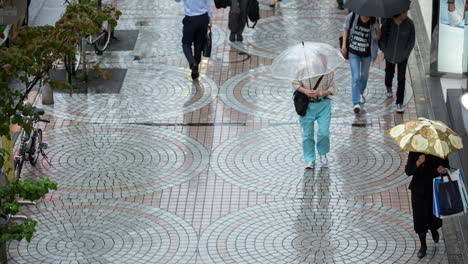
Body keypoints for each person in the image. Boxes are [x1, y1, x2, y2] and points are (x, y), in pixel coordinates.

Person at [405, 152, 449, 259]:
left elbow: (447, 167)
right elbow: (408, 171)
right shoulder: (415, 151)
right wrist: (418, 162)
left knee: (433, 217)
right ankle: (423, 245)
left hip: (434, 189)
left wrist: (443, 170)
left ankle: (434, 229)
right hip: (418, 190)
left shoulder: (439, 150)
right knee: (420, 219)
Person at [293, 71, 337, 169]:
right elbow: (295, 83)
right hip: (307, 106)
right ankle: (310, 159)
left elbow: (333, 88)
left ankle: (323, 153)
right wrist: (305, 91)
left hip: (324, 104)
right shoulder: (302, 69)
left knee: (324, 132)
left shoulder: (329, 71)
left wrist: (320, 93)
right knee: (307, 134)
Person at [341, 13, 381, 114]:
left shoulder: (374, 19)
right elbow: (345, 29)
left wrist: (377, 28)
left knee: (364, 76)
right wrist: (344, 46)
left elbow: (377, 38)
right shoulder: (353, 16)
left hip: (366, 54)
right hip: (353, 52)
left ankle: (360, 92)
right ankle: (356, 103)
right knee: (356, 77)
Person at [379, 11, 415, 113]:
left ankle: (399, 102)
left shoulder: (409, 24)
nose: (406, 14)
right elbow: (382, 38)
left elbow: (411, 41)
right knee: (389, 73)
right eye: (404, 12)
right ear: (398, 13)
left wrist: (405, 54)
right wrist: (385, 50)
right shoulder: (388, 23)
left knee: (401, 79)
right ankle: (388, 86)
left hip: (403, 57)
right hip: (389, 55)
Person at [176, 0, 213, 80]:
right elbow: (208, 3)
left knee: (186, 44)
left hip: (190, 19)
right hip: (203, 18)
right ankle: (195, 67)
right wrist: (210, 18)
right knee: (198, 45)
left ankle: (192, 62)